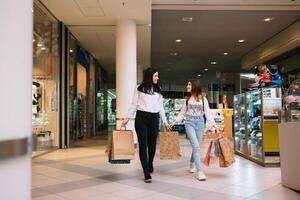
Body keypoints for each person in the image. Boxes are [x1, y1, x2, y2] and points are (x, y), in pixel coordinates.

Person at [122, 67, 171, 183]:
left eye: (158, 76)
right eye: (156, 76)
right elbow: (134, 104)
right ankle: (146, 172)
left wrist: (165, 122)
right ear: (150, 76)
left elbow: (161, 108)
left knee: (152, 145)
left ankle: (150, 163)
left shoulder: (158, 89)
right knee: (143, 145)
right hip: (141, 118)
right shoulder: (139, 88)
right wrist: (127, 117)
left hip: (154, 119)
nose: (157, 78)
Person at [171, 79, 217, 181]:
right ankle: (199, 172)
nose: (187, 86)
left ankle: (192, 163)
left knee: (196, 146)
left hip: (200, 123)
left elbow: (208, 113)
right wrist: (173, 122)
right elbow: (182, 113)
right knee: (196, 146)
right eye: (187, 84)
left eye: (189, 84)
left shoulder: (203, 99)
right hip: (189, 123)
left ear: (195, 86)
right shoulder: (187, 99)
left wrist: (215, 125)